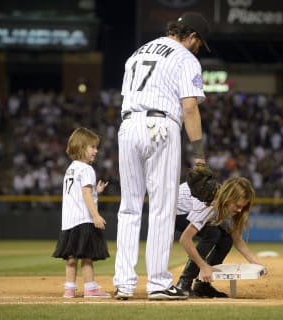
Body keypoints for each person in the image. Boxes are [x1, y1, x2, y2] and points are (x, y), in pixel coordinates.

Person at [113, 12, 211, 300]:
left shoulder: (137, 53)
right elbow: (190, 107)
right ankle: (157, 283)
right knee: (162, 207)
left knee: (129, 207)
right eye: (199, 43)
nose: (198, 48)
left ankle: (124, 283)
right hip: (161, 125)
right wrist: (199, 156)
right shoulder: (185, 57)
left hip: (128, 125)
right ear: (191, 36)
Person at [177, 176, 267, 298]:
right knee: (213, 232)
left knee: (226, 239)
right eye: (237, 205)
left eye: (243, 207)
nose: (240, 210)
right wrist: (203, 266)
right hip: (175, 210)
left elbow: (237, 240)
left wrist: (256, 263)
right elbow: (185, 239)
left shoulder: (227, 207)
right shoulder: (208, 203)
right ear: (228, 199)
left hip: (189, 209)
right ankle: (184, 284)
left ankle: (203, 286)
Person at [52, 127, 111, 299]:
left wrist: (96, 191)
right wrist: (96, 216)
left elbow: (80, 193)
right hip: (84, 220)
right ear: (81, 147)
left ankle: (69, 289)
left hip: (69, 221)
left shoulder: (71, 168)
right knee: (86, 256)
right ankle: (90, 288)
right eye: (92, 147)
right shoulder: (87, 169)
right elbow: (85, 194)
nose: (96, 150)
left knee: (71, 257)